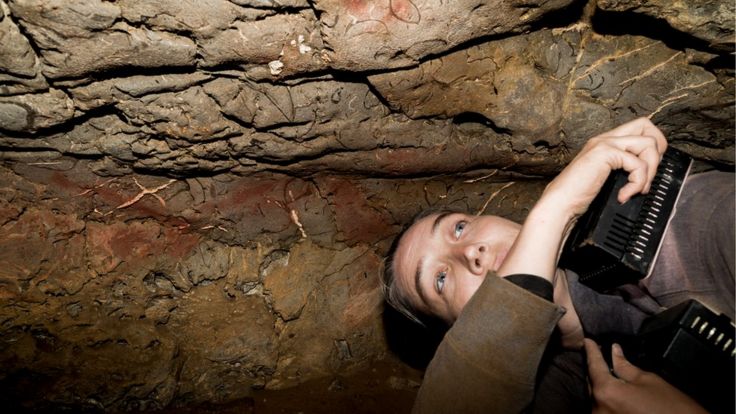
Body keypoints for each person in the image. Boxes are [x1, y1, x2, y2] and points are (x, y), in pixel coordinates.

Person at [380, 117, 734, 413]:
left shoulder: (697, 225)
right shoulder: (547, 396)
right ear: (456, 333)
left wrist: (557, 208)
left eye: (459, 228)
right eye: (440, 280)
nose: (470, 252)